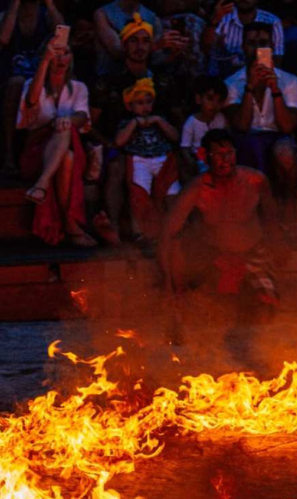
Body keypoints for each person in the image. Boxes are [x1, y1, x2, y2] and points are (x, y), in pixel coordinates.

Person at [159, 128, 280, 324]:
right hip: (214, 258)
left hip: (253, 254)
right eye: (218, 155)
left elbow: (272, 219)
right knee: (213, 313)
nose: (226, 160)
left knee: (264, 312)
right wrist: (168, 284)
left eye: (230, 153)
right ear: (206, 157)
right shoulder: (197, 189)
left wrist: (277, 250)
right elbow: (167, 234)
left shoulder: (256, 181)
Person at [90, 12, 179, 242]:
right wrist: (108, 143)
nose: (139, 47)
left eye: (145, 41)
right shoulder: (108, 80)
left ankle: (175, 233)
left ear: (152, 45)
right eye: (133, 41)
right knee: (118, 166)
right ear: (124, 43)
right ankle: (115, 232)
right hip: (119, 145)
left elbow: (176, 117)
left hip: (158, 145)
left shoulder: (163, 79)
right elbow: (91, 122)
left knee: (181, 163)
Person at [17, 37, 97, 247]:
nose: (61, 58)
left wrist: (67, 120)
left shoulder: (79, 88)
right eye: (56, 53)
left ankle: (42, 185)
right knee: (65, 150)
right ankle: (71, 225)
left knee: (67, 148)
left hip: (70, 148)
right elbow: (31, 102)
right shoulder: (30, 85)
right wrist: (44, 63)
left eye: (66, 53)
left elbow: (82, 117)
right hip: (36, 150)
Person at [224, 21, 297, 222]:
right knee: (251, 144)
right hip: (247, 139)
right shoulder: (232, 84)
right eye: (251, 43)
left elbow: (287, 126)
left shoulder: (290, 81)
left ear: (272, 47)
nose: (257, 48)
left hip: (278, 138)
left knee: (285, 152)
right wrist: (250, 87)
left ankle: (286, 209)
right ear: (243, 47)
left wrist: (275, 90)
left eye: (263, 43)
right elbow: (241, 125)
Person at [0, 0, 65, 177]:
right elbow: (3, 38)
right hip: (11, 79)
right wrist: (15, 5)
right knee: (16, 83)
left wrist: (49, 3)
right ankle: (9, 156)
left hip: (42, 76)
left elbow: (62, 36)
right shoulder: (2, 16)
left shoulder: (46, 16)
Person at [115, 78, 180, 241]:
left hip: (163, 159)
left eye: (148, 102)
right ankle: (141, 232)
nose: (145, 106)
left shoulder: (160, 119)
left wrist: (159, 121)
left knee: (172, 191)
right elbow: (119, 141)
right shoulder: (126, 122)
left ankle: (175, 229)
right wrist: (135, 123)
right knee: (139, 195)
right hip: (139, 161)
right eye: (139, 103)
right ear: (130, 106)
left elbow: (175, 136)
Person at [204, 0, 284, 78]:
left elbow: (277, 58)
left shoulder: (273, 22)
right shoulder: (222, 18)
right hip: (220, 79)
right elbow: (206, 48)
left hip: (260, 78)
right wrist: (215, 21)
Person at [93, 0, 165, 76]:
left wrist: (171, 52)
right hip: (109, 79)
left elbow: (156, 59)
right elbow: (116, 50)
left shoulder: (153, 18)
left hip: (143, 79)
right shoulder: (103, 14)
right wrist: (155, 46)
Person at [180, 75, 229, 179]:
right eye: (210, 99)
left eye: (219, 101)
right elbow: (185, 147)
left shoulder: (221, 119)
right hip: (199, 161)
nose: (214, 105)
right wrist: (191, 162)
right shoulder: (191, 122)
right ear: (198, 99)